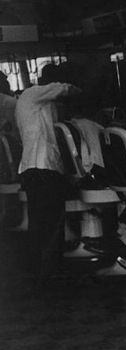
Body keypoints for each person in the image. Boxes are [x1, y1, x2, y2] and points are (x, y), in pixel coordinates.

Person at [15, 63, 81, 285]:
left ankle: (40, 268)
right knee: (51, 221)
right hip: (40, 167)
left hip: (38, 168)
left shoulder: (39, 103)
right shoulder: (33, 94)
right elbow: (64, 88)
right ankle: (50, 271)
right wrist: (81, 89)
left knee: (41, 221)